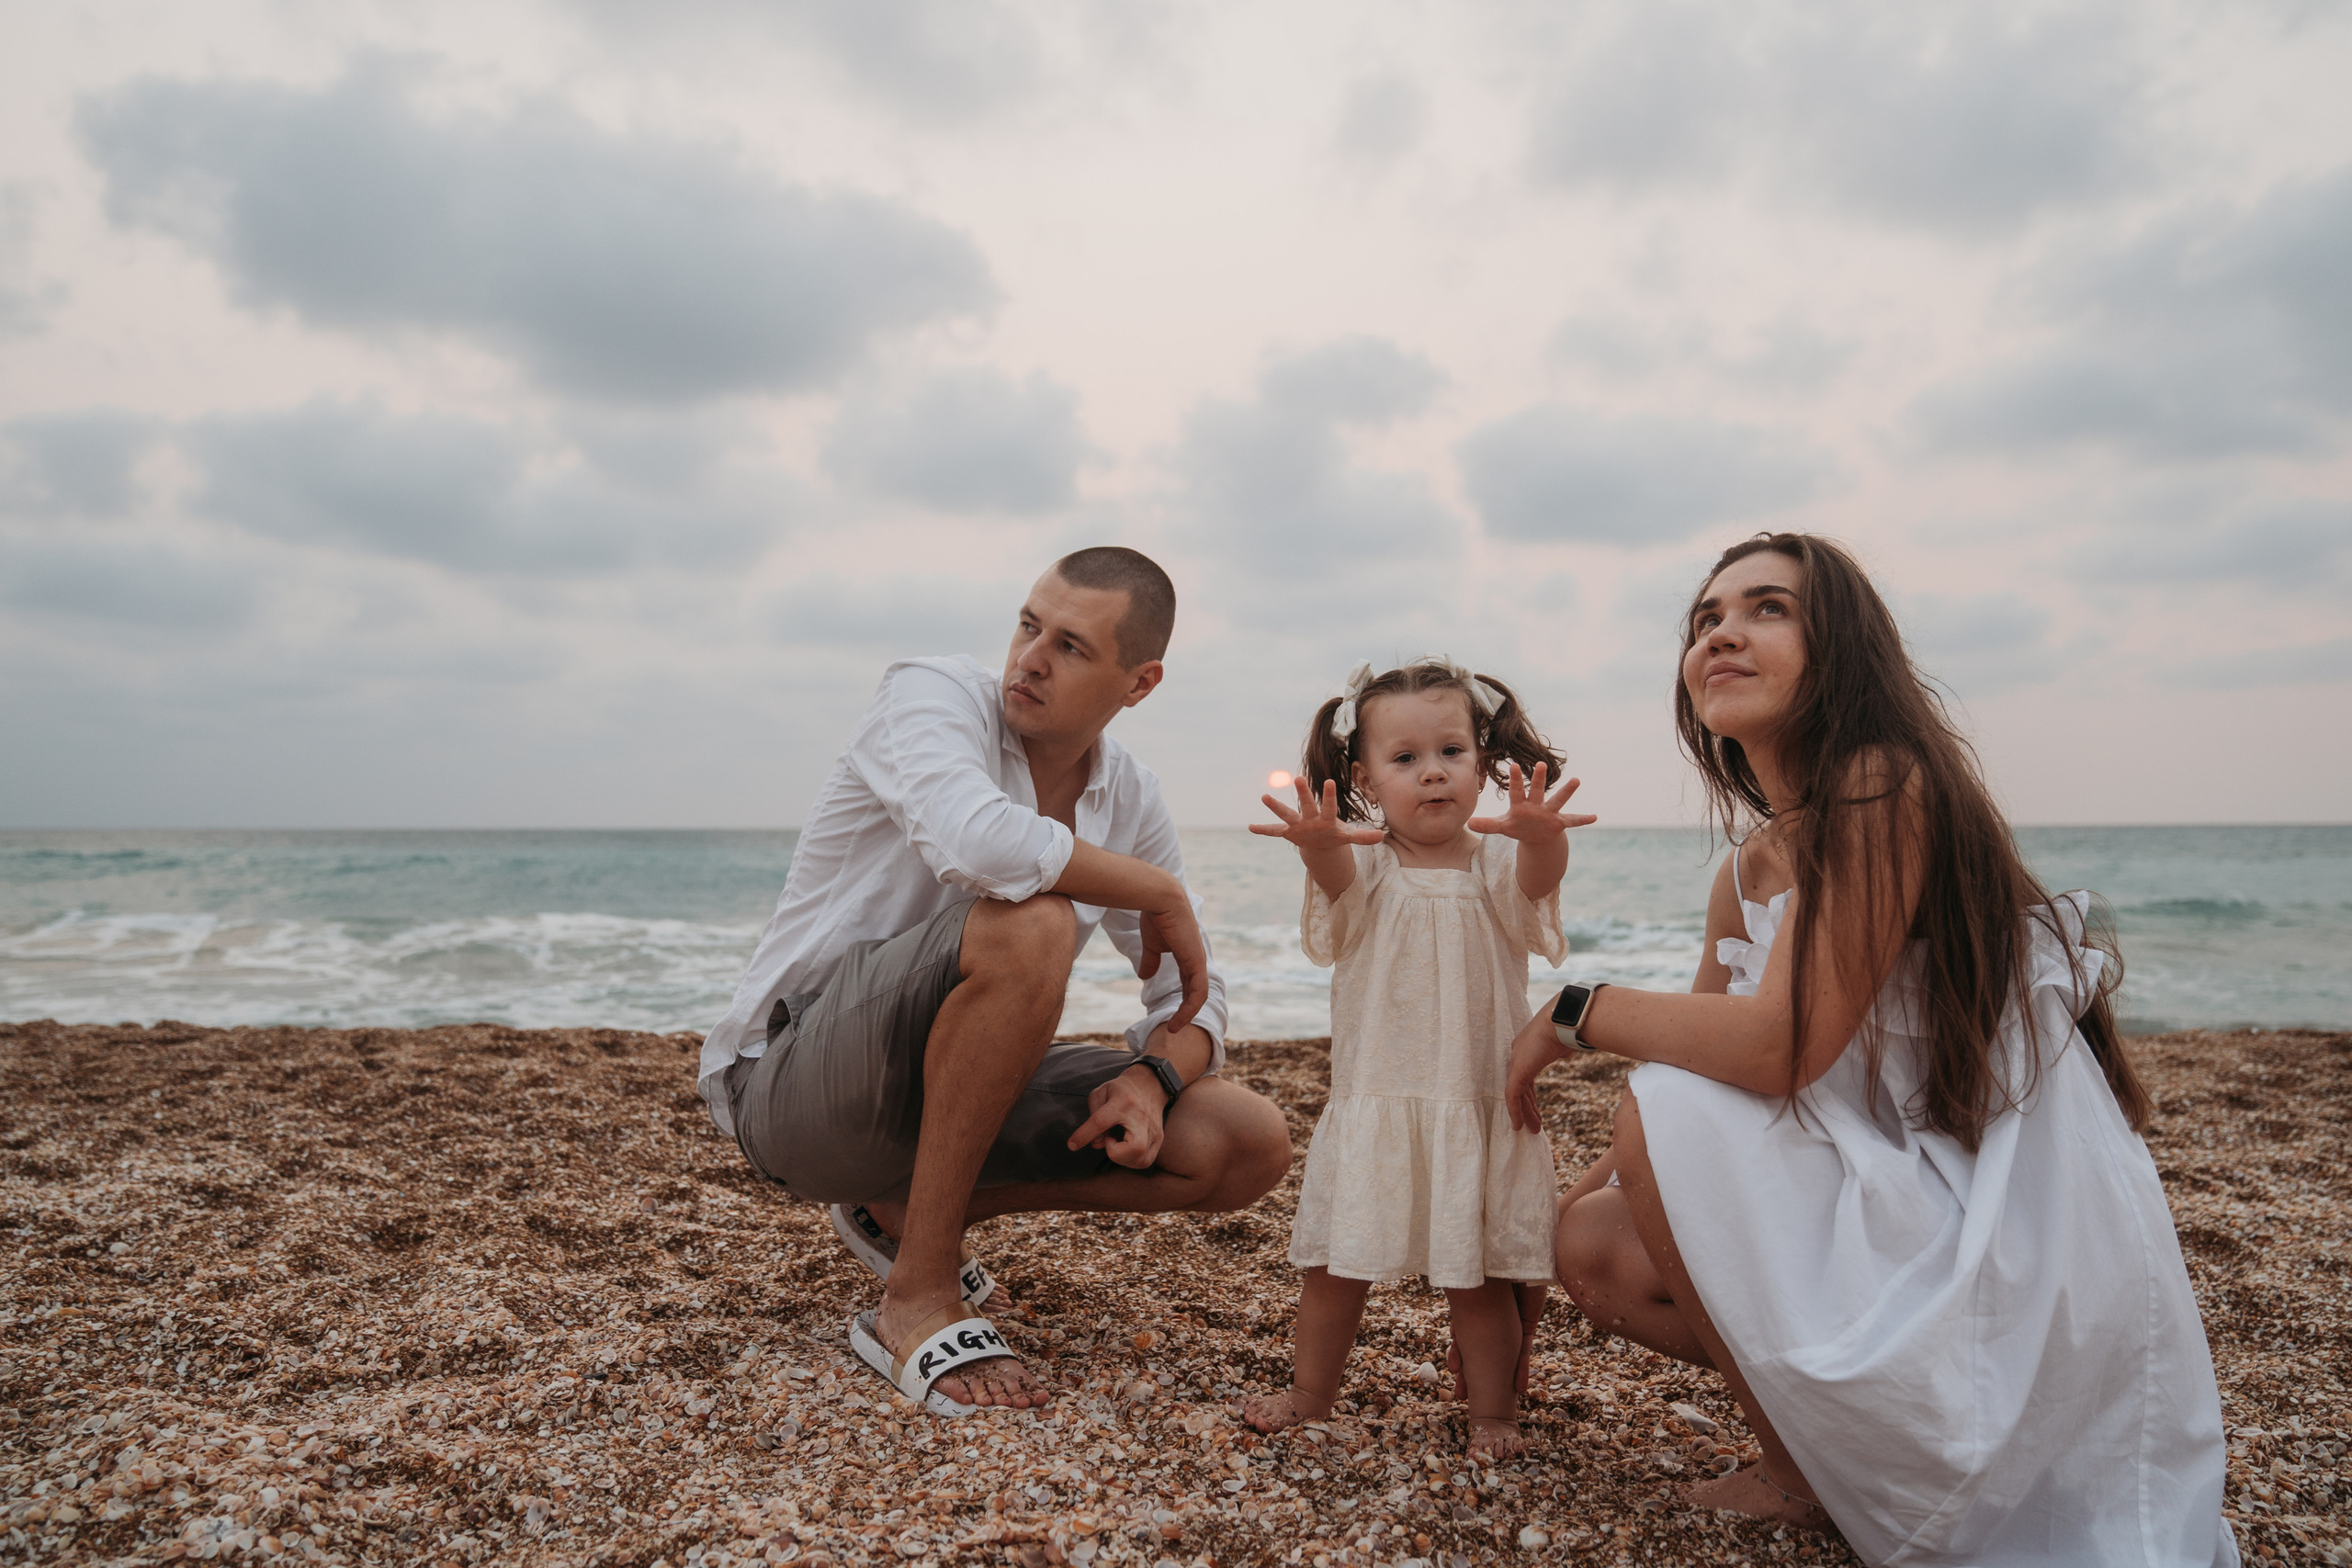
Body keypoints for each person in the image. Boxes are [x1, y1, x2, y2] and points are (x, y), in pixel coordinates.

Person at [1507, 533, 2236, 1565]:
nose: (1722, 632)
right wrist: (1560, 1210)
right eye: (1705, 619)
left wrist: (1570, 1011)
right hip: (1879, 1179)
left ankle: (1803, 1468)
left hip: (1995, 1214)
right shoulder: (1751, 864)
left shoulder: (1882, 783)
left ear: (1841, 650)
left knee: (1657, 1103)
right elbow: (1703, 1070)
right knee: (1592, 1240)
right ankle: (1840, 1442)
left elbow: (1778, 1051)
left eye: (1767, 610)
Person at [698, 547, 1293, 1418]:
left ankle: (904, 1209)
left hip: (940, 1096)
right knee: (1036, 919)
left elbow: (1197, 996)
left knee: (1241, 1136)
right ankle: (918, 1291)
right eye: (1027, 625)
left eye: (1073, 646)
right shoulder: (929, 695)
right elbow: (980, 845)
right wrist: (1154, 888)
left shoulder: (1129, 796)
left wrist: (1153, 1078)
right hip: (795, 1086)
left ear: (1140, 682)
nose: (1030, 659)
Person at [1244, 659, 1593, 1461]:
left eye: (1452, 752)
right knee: (1335, 1269)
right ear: (1364, 777)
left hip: (1473, 1102)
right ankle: (1309, 1393)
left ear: (1483, 762)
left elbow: (1537, 888)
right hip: (1380, 1099)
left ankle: (1493, 1412)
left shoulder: (1496, 862)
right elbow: (1334, 881)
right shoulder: (1365, 863)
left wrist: (1544, 839)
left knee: (1476, 1276)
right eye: (1405, 760)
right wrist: (1316, 846)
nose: (1432, 771)